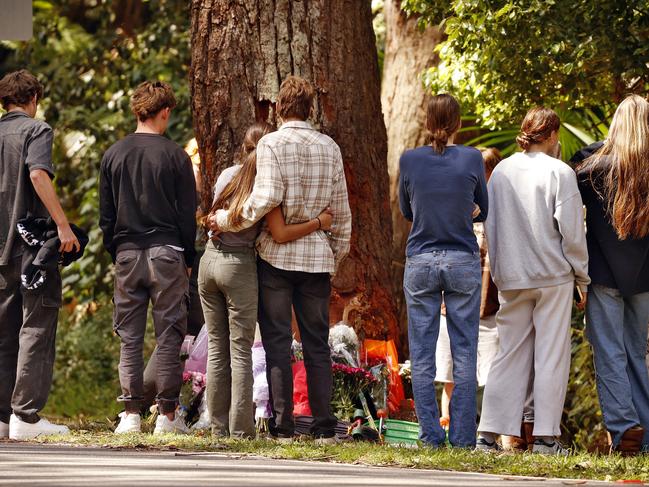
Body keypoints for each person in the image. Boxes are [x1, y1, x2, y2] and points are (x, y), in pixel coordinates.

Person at [210, 76, 352, 443]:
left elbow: (264, 200)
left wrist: (226, 219)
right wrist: (332, 254)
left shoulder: (271, 144)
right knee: (317, 343)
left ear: (278, 108)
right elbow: (342, 212)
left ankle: (284, 426)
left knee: (276, 341)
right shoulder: (330, 147)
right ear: (311, 109)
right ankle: (323, 426)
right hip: (317, 259)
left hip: (276, 258)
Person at [477, 107, 589, 455]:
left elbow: (491, 227)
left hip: (512, 275)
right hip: (552, 275)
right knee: (550, 354)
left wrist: (499, 271)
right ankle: (544, 437)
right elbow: (571, 233)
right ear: (553, 135)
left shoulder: (502, 171)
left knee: (508, 352)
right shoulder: (560, 172)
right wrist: (581, 275)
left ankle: (488, 433)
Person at [99, 81, 197, 435]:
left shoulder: (113, 154)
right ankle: (168, 416)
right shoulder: (175, 156)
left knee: (129, 335)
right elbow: (188, 214)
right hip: (168, 251)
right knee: (170, 332)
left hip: (127, 252)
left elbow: (105, 216)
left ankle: (130, 414)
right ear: (165, 112)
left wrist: (117, 251)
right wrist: (189, 256)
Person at [399, 94, 488, 448]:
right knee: (465, 351)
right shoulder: (471, 158)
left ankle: (430, 437)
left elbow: (408, 210)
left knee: (422, 353)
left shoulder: (409, 160)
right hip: (462, 259)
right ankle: (463, 438)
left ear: (426, 122)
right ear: (457, 124)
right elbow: (484, 206)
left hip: (420, 259)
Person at [0, 69, 80, 440]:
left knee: (4, 332)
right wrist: (63, 225)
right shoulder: (36, 129)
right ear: (33, 98)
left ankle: (2, 417)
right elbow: (37, 176)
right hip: (30, 248)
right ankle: (26, 417)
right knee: (36, 325)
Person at [575, 95, 649, 456]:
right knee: (636, 353)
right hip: (644, 279)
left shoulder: (594, 169)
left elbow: (576, 160)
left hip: (603, 274)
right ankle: (645, 432)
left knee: (609, 353)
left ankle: (624, 428)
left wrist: (607, 144)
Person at [435, 148, 501, 429]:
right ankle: (450, 426)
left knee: (490, 376)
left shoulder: (500, 212)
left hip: (490, 307)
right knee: (450, 374)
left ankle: (490, 431)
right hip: (451, 305)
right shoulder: (455, 207)